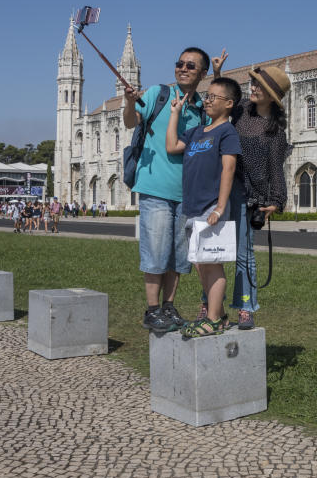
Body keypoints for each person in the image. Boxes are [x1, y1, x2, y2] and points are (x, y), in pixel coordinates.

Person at [201, 58, 291, 331]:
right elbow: (221, 102)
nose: (253, 88)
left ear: (271, 96)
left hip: (249, 194)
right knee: (209, 251)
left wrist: (276, 200)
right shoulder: (239, 110)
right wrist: (217, 73)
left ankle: (245, 307)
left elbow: (276, 167)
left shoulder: (275, 131)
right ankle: (208, 304)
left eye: (259, 86)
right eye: (254, 83)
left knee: (244, 254)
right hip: (221, 186)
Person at [124, 46, 209, 333]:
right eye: (180, 63)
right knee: (156, 251)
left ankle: (169, 307)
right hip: (155, 187)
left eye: (190, 66)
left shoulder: (201, 109)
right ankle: (152, 310)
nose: (183, 68)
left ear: (202, 74)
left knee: (177, 255)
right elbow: (129, 121)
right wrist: (128, 102)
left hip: (186, 192)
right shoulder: (156, 95)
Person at [165, 76, 242, 337]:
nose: (207, 100)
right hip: (191, 208)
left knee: (213, 264)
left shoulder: (227, 132)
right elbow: (172, 145)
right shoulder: (197, 131)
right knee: (200, 265)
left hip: (211, 207)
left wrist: (220, 208)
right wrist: (175, 113)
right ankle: (217, 316)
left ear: (229, 104)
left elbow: (228, 168)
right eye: (207, 96)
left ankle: (211, 318)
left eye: (213, 97)